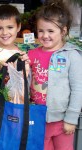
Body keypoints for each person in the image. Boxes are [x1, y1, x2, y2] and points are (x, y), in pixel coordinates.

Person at [28, 0, 82, 150]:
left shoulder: (72, 56)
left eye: (51, 31)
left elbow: (78, 89)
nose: (45, 36)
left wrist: (71, 119)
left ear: (63, 31)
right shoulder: (31, 54)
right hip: (38, 119)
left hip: (62, 120)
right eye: (41, 31)